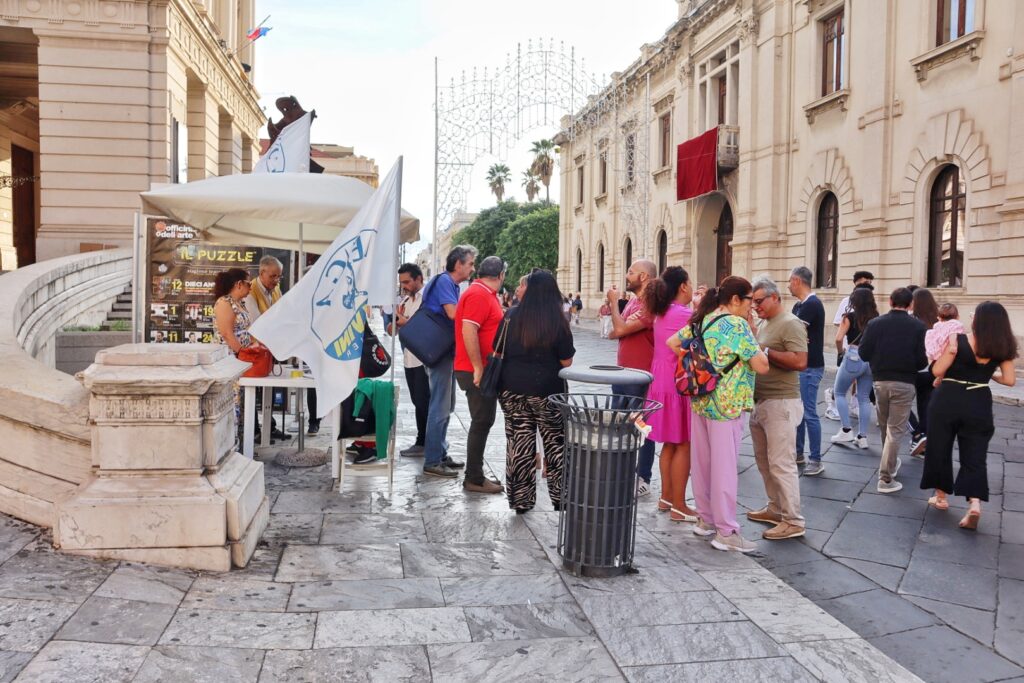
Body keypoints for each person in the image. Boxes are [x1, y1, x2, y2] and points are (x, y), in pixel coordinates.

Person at [670, 276, 769, 553]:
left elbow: (672, 343)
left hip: (701, 399)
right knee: (724, 468)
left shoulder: (704, 318)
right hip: (726, 404)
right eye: (750, 300)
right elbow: (761, 366)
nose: (752, 306)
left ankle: (706, 520)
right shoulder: (736, 325)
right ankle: (726, 531)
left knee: (702, 463)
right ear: (736, 300)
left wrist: (701, 367)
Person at [921, 302, 1017, 529]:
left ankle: (941, 497)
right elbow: (1010, 380)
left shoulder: (960, 339)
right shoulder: (1003, 346)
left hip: (948, 398)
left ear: (978, 320)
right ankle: (974, 504)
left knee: (940, 447)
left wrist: (952, 348)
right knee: (975, 453)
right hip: (978, 400)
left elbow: (936, 371)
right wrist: (986, 375)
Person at [498, 270, 575, 513]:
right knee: (555, 442)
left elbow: (498, 350)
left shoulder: (510, 316)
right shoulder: (557, 320)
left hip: (511, 388)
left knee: (519, 442)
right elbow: (566, 362)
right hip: (547, 390)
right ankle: (561, 497)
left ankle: (521, 499)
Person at [747, 276, 808, 540]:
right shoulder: (765, 322)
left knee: (781, 463)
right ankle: (776, 509)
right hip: (761, 401)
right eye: (753, 302)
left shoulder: (791, 323)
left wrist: (766, 351)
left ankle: (793, 521)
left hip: (780, 402)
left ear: (775, 297)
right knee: (765, 462)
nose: (755, 306)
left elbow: (800, 361)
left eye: (759, 301)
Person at [858, 287, 928, 494]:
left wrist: (878, 361)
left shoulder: (875, 324)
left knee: (884, 425)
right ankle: (885, 477)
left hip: (880, 380)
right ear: (910, 305)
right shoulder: (918, 326)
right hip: (905, 381)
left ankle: (890, 463)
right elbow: (922, 358)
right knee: (895, 430)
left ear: (890, 301)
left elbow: (863, 352)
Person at [643, 266, 695, 522]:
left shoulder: (663, 312)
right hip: (678, 382)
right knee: (684, 443)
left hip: (660, 381)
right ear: (683, 286)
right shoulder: (685, 314)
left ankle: (666, 498)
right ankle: (679, 505)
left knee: (669, 444)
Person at [421, 245, 477, 478]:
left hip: (444, 352)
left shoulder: (451, 284)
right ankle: (433, 459)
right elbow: (453, 314)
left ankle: (440, 452)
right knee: (440, 406)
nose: (472, 268)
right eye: (470, 264)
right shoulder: (445, 282)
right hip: (439, 352)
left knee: (447, 405)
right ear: (458, 265)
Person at [454, 256, 507, 494]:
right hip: (474, 369)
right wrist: (478, 366)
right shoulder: (478, 294)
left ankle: (475, 476)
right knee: (481, 421)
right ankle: (474, 478)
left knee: (483, 421)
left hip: (480, 368)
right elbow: (468, 329)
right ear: (501, 275)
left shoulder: (483, 293)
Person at [606, 259, 658, 496]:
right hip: (622, 373)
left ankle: (642, 476)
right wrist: (619, 322)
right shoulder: (634, 302)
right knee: (619, 424)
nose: (627, 275)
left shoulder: (650, 304)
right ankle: (621, 471)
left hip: (640, 376)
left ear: (644, 277)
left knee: (641, 427)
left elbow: (622, 329)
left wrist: (614, 304)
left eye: (631, 272)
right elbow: (615, 331)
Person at [829, 287, 878, 451]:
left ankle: (846, 430)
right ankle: (862, 437)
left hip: (853, 355)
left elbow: (838, 338)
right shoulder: (876, 318)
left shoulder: (848, 317)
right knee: (864, 397)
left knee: (839, 392)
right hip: (870, 358)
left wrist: (841, 353)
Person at [213, 268, 263, 428]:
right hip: (231, 360)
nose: (251, 288)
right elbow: (227, 334)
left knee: (243, 402)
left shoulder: (239, 304)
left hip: (242, 360)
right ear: (239, 284)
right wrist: (242, 353)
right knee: (234, 402)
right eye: (249, 284)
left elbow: (247, 329)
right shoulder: (224, 303)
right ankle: (232, 442)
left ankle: (241, 442)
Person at [388, 263, 429, 457]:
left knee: (424, 402)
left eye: (407, 281)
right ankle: (423, 441)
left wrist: (406, 322)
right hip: (409, 358)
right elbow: (394, 330)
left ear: (419, 278)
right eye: (401, 282)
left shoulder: (427, 299)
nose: (404, 285)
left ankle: (425, 442)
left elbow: (426, 326)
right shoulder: (406, 300)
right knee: (416, 401)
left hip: (423, 359)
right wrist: (395, 323)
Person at [788, 266, 825, 474]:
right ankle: (799, 452)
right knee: (799, 412)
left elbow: (792, 330)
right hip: (802, 365)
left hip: (810, 366)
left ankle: (816, 459)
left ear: (796, 281)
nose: (788, 286)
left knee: (809, 413)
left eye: (789, 281)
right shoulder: (799, 305)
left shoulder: (812, 304)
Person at [826, 271, 875, 420]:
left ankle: (854, 404)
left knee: (857, 381)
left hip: (863, 350)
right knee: (846, 382)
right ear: (856, 282)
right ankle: (832, 399)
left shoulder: (871, 306)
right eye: (865, 281)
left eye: (870, 281)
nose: (868, 283)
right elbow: (838, 325)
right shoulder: (847, 301)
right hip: (850, 347)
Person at [907, 288, 939, 457]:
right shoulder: (938, 322)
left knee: (899, 404)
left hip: (913, 370)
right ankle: (924, 443)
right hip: (932, 371)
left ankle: (918, 434)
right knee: (925, 407)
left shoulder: (912, 321)